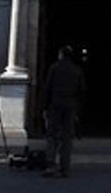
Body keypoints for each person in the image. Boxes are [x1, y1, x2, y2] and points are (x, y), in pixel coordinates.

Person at [42, 46, 86, 178]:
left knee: (52, 136)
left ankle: (50, 165)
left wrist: (44, 107)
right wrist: (78, 109)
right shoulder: (77, 70)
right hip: (70, 106)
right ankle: (64, 168)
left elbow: (47, 88)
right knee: (67, 138)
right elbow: (82, 91)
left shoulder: (54, 68)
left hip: (55, 105)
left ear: (61, 55)